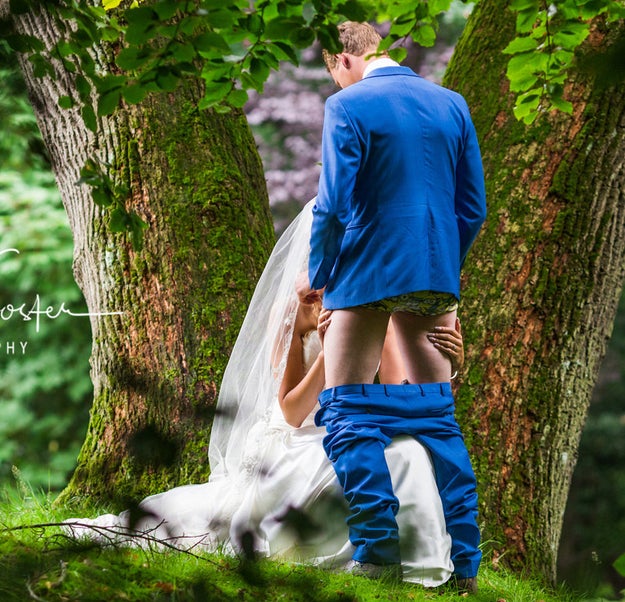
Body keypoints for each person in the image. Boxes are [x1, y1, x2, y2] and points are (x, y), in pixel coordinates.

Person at [63, 200, 464, 588]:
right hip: (299, 437)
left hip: (355, 427)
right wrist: (330, 356)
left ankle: (414, 564)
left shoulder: (380, 308)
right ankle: (359, 553)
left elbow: (398, 392)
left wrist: (448, 368)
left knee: (406, 451)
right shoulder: (301, 308)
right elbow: (290, 411)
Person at [295, 22, 487, 591]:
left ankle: (378, 552)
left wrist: (322, 275)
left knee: (347, 409)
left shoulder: (349, 104)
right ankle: (466, 565)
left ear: (340, 61)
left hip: (366, 271)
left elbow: (332, 203)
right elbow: (471, 208)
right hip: (433, 271)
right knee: (438, 414)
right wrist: (443, 267)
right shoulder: (451, 103)